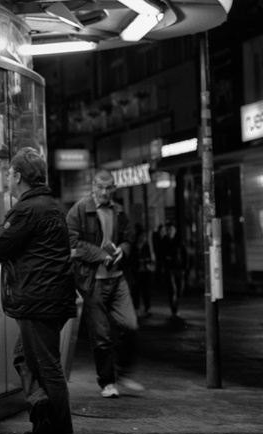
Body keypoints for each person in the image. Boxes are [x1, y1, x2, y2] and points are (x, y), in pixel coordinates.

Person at [0, 147, 76, 434]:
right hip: (50, 297)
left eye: (10, 174)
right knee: (24, 357)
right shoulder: (47, 205)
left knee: (47, 365)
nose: (7, 179)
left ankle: (61, 429)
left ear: (19, 177)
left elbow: (1, 245)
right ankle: (42, 413)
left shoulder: (28, 209)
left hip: (38, 299)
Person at [67, 169, 142, 398]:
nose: (104, 192)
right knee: (101, 336)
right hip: (93, 281)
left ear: (114, 188)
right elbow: (71, 241)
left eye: (108, 188)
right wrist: (100, 255)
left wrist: (123, 250)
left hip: (117, 278)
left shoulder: (118, 211)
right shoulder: (80, 209)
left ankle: (123, 373)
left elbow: (129, 238)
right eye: (100, 187)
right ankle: (107, 383)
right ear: (93, 186)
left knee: (130, 325)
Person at [155, 222, 187, 319]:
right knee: (172, 288)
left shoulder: (179, 240)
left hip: (178, 268)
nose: (169, 231)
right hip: (169, 268)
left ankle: (176, 304)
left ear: (175, 230)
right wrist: (165, 258)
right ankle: (174, 309)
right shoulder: (163, 241)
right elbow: (159, 254)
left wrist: (184, 267)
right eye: (167, 230)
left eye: (171, 229)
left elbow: (185, 254)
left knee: (180, 287)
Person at [126, 224, 154, 318]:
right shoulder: (133, 247)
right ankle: (137, 308)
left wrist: (146, 261)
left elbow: (150, 258)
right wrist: (138, 261)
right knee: (136, 291)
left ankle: (147, 308)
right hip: (136, 272)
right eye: (141, 236)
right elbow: (130, 259)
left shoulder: (146, 247)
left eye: (144, 236)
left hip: (145, 271)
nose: (143, 238)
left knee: (146, 291)